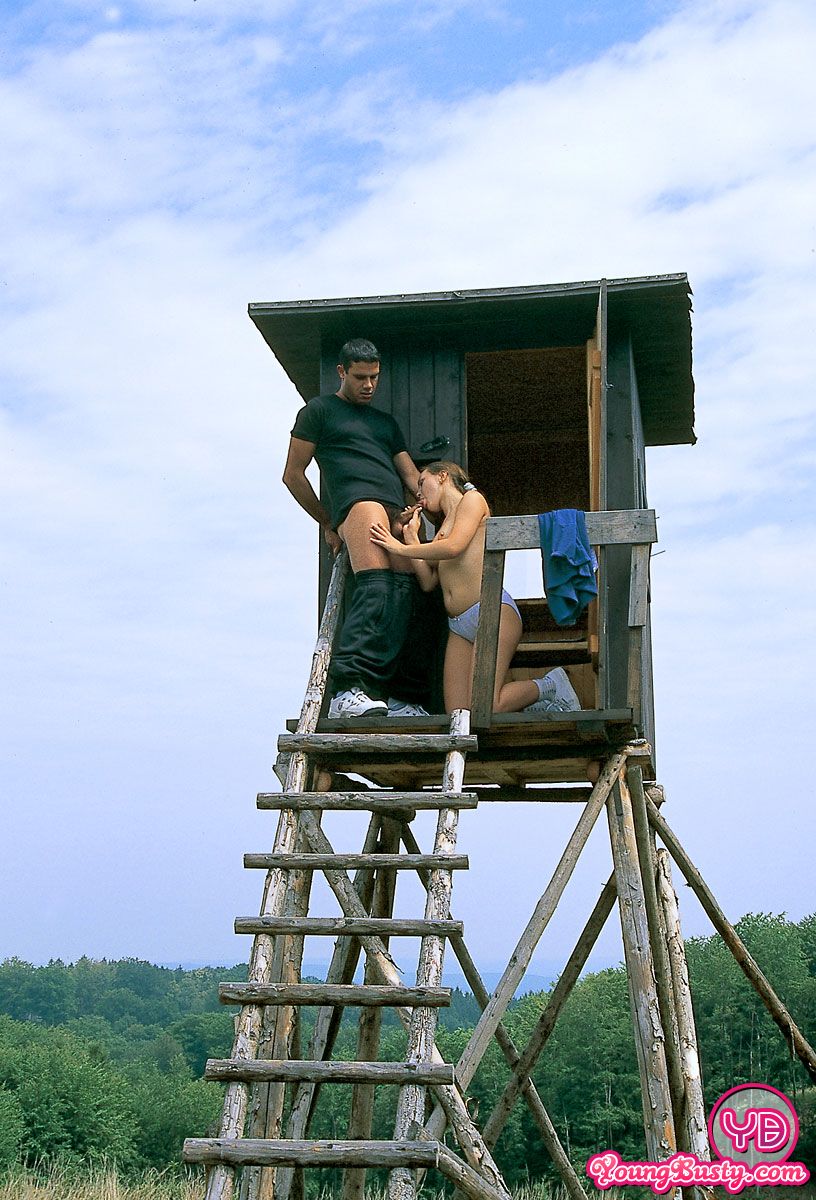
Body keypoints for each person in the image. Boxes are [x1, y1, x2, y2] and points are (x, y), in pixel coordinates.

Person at [282, 338, 428, 718]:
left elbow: (410, 474)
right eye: (360, 377)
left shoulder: (385, 423)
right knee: (376, 589)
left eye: (374, 377)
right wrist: (327, 520)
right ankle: (347, 691)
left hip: (394, 508)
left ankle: (398, 696)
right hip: (358, 504)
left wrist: (438, 500)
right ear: (341, 372)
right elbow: (293, 475)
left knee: (406, 596)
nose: (368, 385)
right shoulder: (318, 411)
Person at [369, 461, 582, 715]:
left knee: (488, 703)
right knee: (459, 714)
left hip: (491, 612)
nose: (418, 493)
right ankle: (537, 703)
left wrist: (399, 549)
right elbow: (428, 582)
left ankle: (551, 686)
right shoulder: (443, 526)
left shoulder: (472, 500)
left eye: (422, 482)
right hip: (458, 625)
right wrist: (410, 537)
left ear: (442, 476)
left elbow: (454, 547)